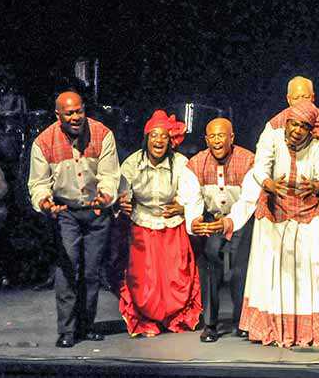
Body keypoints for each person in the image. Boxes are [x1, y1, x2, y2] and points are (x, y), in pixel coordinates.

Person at [226, 101, 319, 347]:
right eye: (294, 124)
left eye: (304, 127)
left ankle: (308, 329)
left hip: (309, 213)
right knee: (272, 270)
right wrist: (268, 184)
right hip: (274, 211)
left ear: (311, 129)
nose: (297, 130)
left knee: (311, 269)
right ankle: (272, 326)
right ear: (287, 123)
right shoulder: (273, 138)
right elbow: (260, 167)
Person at [28, 91, 120, 347]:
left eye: (79, 111)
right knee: (69, 270)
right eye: (69, 113)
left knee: (91, 272)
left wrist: (105, 197)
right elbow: (38, 183)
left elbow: (110, 175)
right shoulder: (43, 142)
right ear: (58, 115)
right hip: (66, 211)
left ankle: (86, 325)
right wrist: (45, 203)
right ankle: (67, 330)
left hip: (96, 210)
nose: (75, 117)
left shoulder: (103, 134)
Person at [117, 110, 203, 337]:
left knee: (175, 277)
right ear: (146, 138)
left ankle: (175, 318)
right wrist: (122, 203)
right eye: (154, 135)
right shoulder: (132, 163)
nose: (159, 140)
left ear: (170, 140)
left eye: (164, 136)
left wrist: (184, 208)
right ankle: (147, 320)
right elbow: (120, 193)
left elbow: (193, 195)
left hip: (171, 224)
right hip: (143, 224)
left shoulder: (182, 163)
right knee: (145, 279)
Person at [184, 118, 255, 342]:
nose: (216, 141)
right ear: (206, 140)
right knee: (210, 267)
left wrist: (230, 222)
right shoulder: (195, 164)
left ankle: (241, 321)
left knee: (239, 270)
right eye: (212, 136)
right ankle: (211, 324)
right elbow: (192, 199)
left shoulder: (248, 160)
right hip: (212, 219)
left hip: (241, 220)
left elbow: (248, 201)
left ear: (231, 137)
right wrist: (194, 221)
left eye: (221, 135)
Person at [252, 76, 319, 193]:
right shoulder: (275, 125)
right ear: (288, 100)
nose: (302, 102)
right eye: (296, 98)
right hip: (280, 188)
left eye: (306, 97)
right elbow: (262, 161)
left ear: (313, 97)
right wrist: (269, 183)